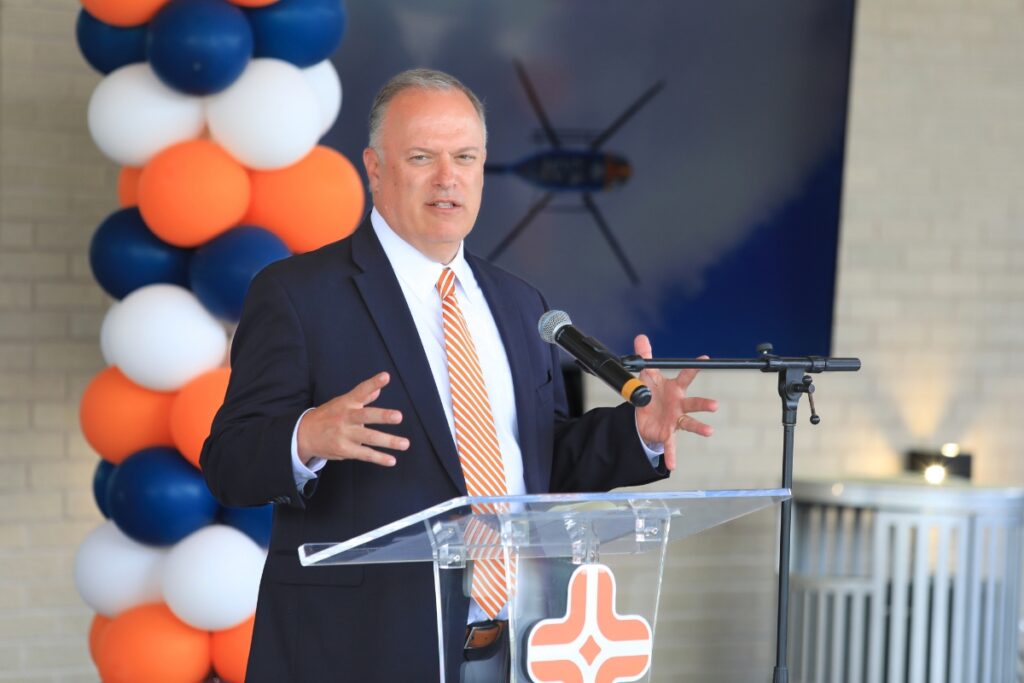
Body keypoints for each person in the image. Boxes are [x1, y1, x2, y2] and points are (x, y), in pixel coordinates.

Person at [200, 68, 717, 682]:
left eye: (465, 157)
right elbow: (228, 461)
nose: (448, 177)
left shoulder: (523, 304)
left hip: (524, 641)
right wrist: (306, 435)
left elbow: (541, 460)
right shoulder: (298, 294)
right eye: (422, 157)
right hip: (362, 649)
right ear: (373, 167)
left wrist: (639, 435)